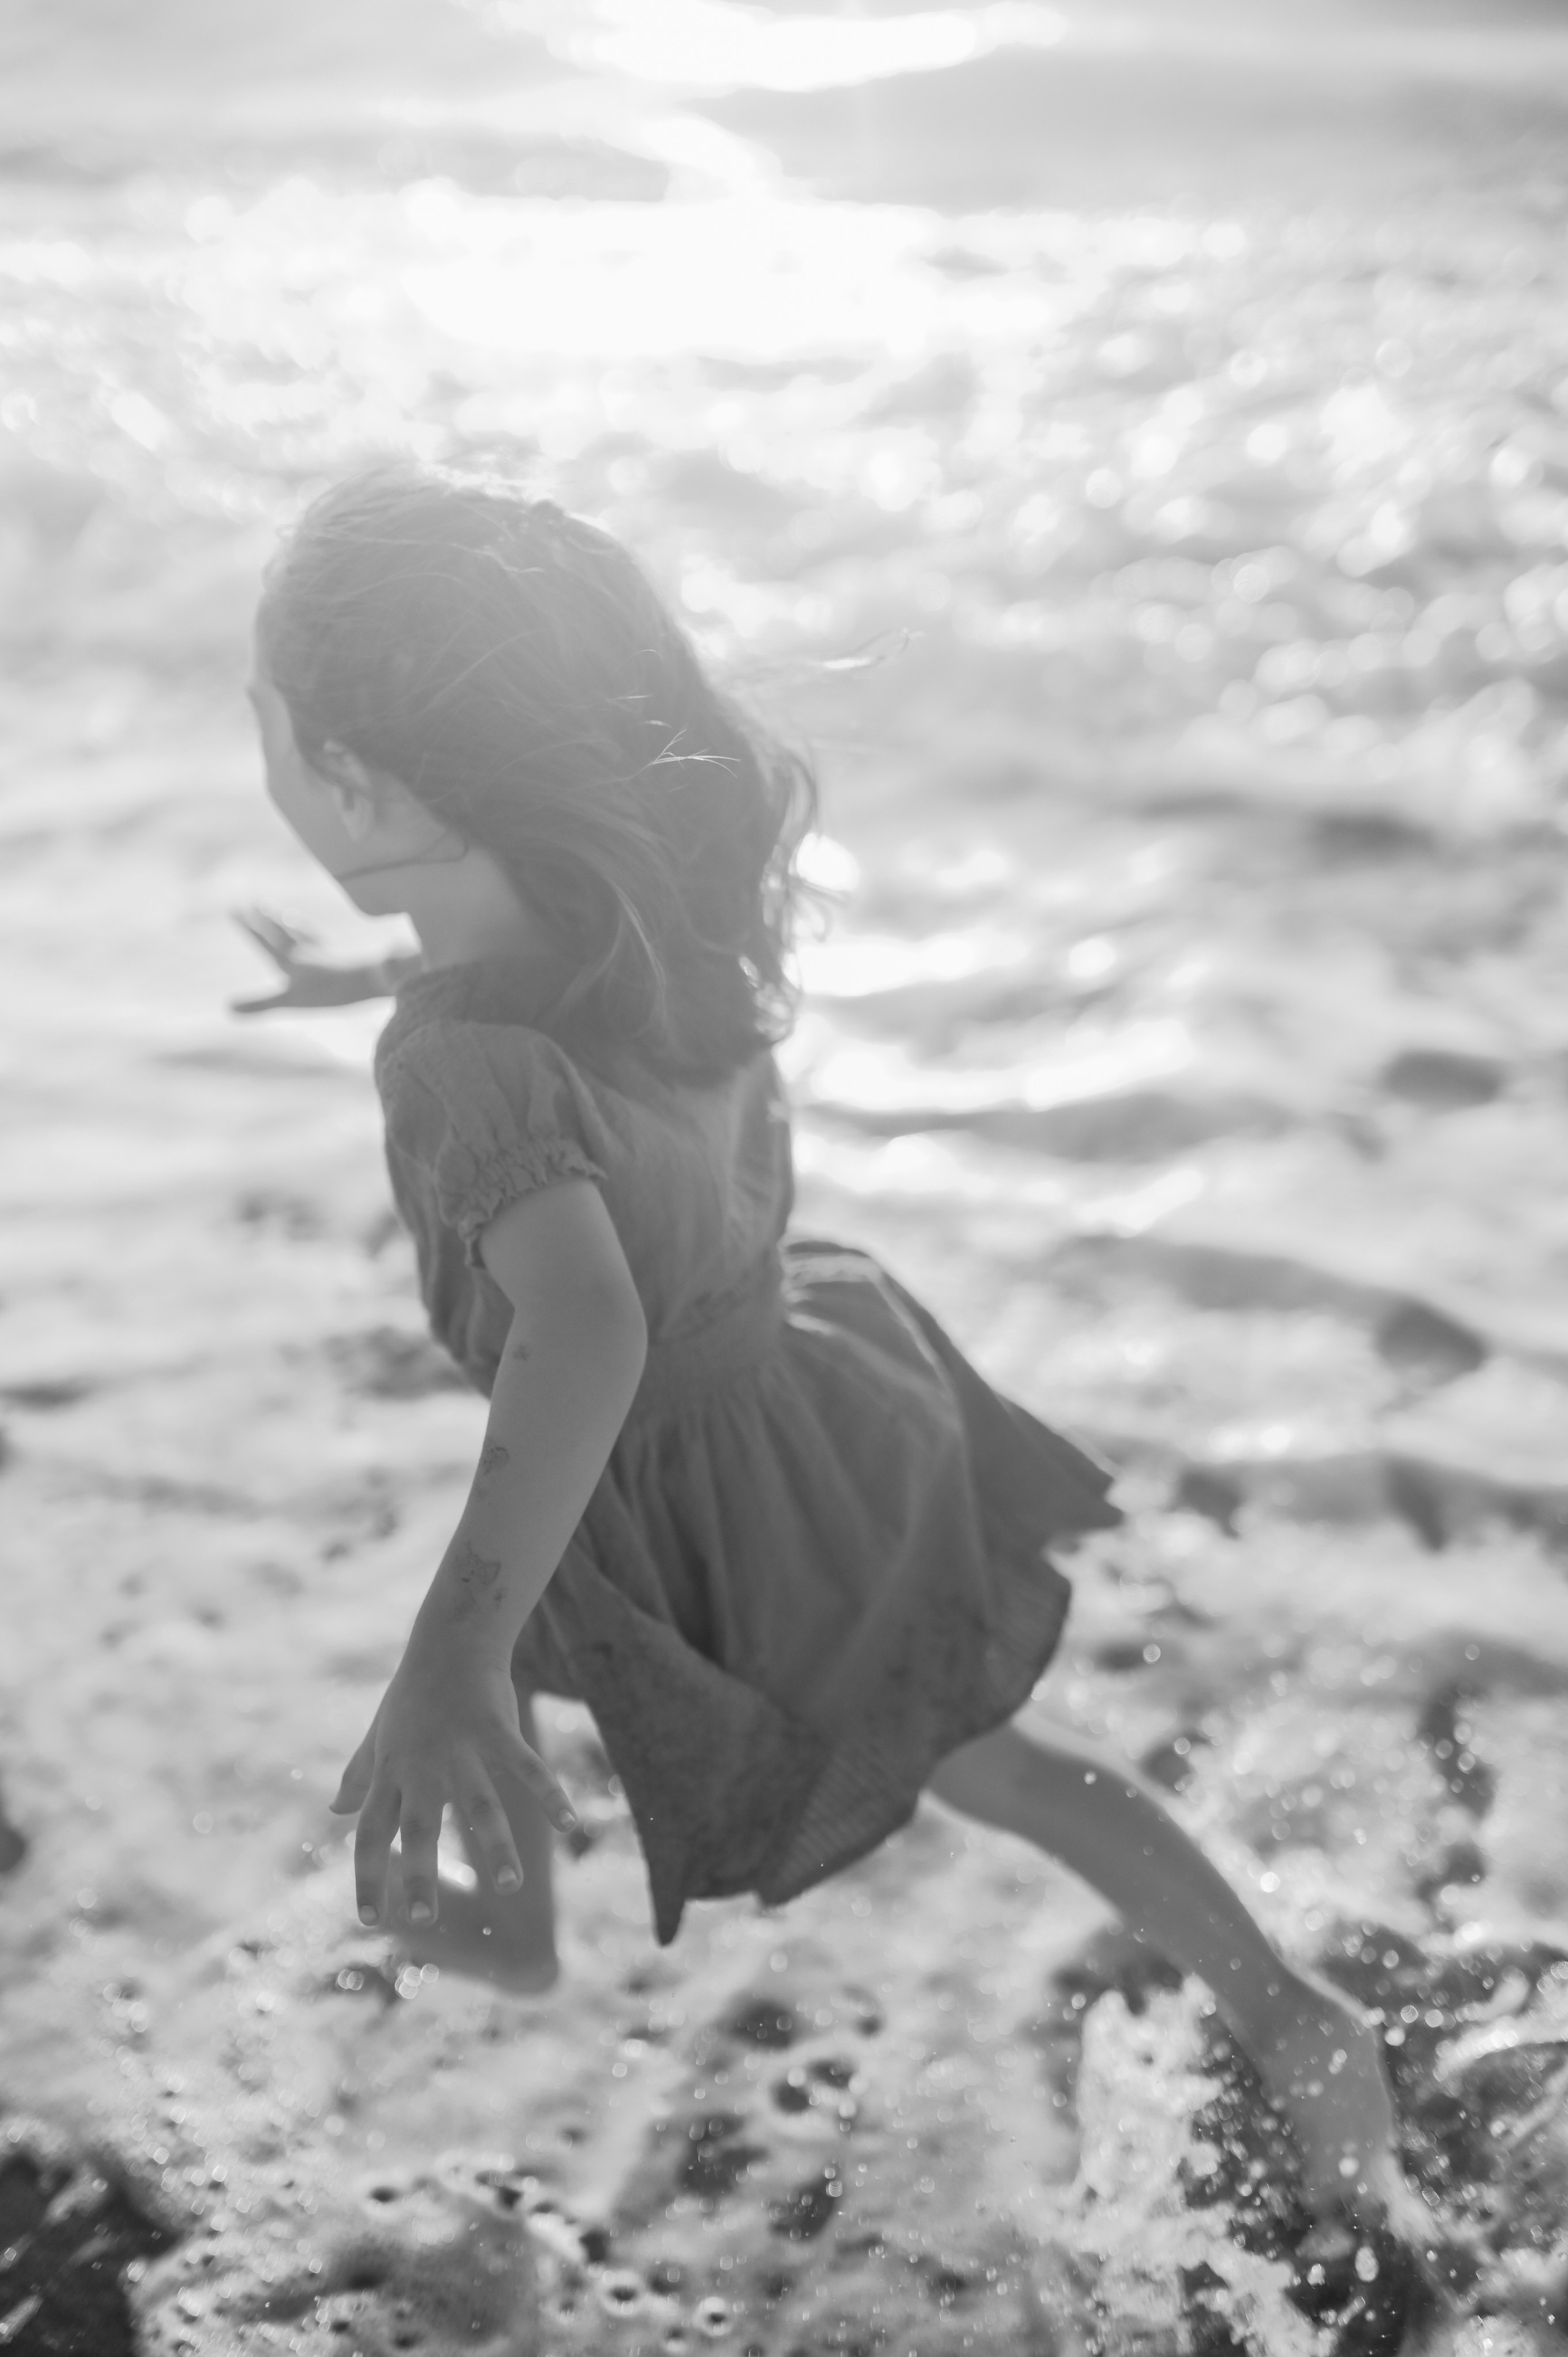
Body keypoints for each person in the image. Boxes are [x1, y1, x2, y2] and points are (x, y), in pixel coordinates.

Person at [240, 459, 1408, 2235]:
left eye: (271, 718)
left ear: (359, 781)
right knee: (909, 1726)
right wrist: (365, 981)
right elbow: (551, 1022)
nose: (261, 747)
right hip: (816, 1391)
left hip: (702, 1476)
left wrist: (445, 1647)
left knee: (934, 1753)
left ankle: (1290, 2014)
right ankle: (1275, 2003)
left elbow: (583, 1326)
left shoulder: (467, 1065)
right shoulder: (644, 900)